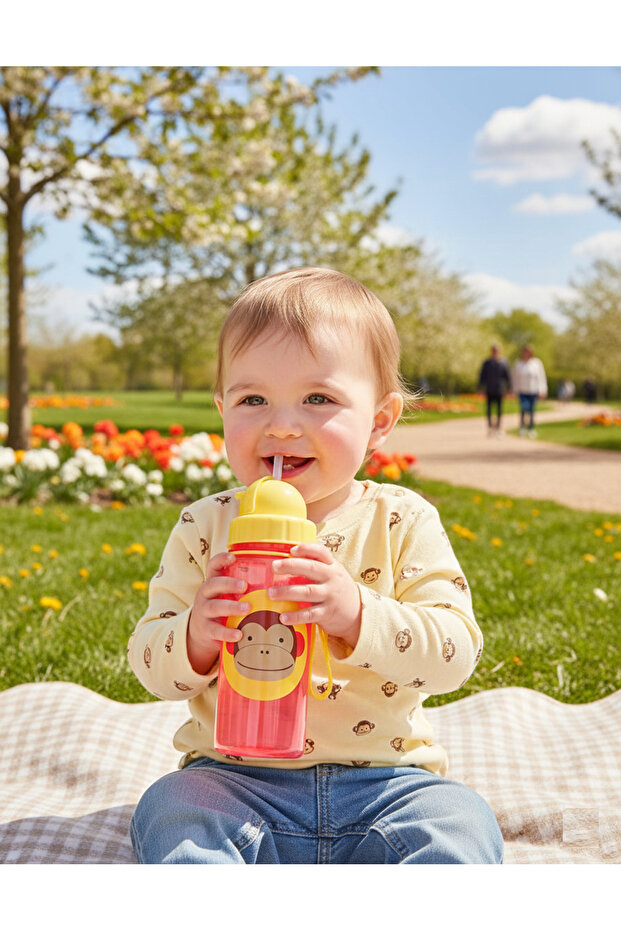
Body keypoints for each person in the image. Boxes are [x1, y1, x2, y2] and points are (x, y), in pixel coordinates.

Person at [127, 267, 503, 865]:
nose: (281, 424)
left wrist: (357, 614)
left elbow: (455, 654)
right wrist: (195, 636)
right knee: (172, 809)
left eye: (318, 399)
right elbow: (150, 664)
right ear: (222, 409)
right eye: (253, 399)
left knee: (459, 823)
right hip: (232, 781)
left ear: (379, 420)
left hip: (388, 782)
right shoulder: (205, 526)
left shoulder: (400, 520)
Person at [512, 345, 548, 437]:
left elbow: (541, 377)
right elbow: (515, 379)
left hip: (533, 390)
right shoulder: (518, 364)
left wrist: (542, 390)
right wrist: (514, 390)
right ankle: (522, 427)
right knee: (524, 408)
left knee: (532, 410)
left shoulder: (537, 363)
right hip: (523, 391)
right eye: (525, 352)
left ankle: (531, 428)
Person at [477, 344, 511, 435]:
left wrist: (509, 389)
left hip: (499, 390)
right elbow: (482, 376)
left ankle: (498, 427)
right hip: (489, 389)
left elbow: (507, 377)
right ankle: (490, 427)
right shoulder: (487, 363)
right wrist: (480, 388)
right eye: (494, 350)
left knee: (499, 409)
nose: (495, 352)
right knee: (489, 409)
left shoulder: (503, 363)